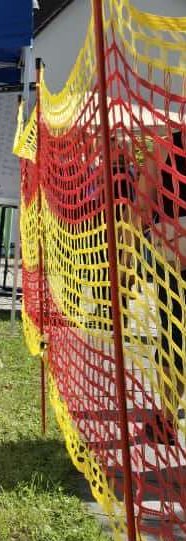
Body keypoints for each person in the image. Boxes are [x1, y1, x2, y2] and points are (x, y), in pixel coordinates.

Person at [137, 129, 185, 444]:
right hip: (173, 241)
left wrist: (136, 239)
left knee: (173, 332)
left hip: (173, 242)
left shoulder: (165, 141)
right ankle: (166, 416)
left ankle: (166, 416)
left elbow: (143, 200)